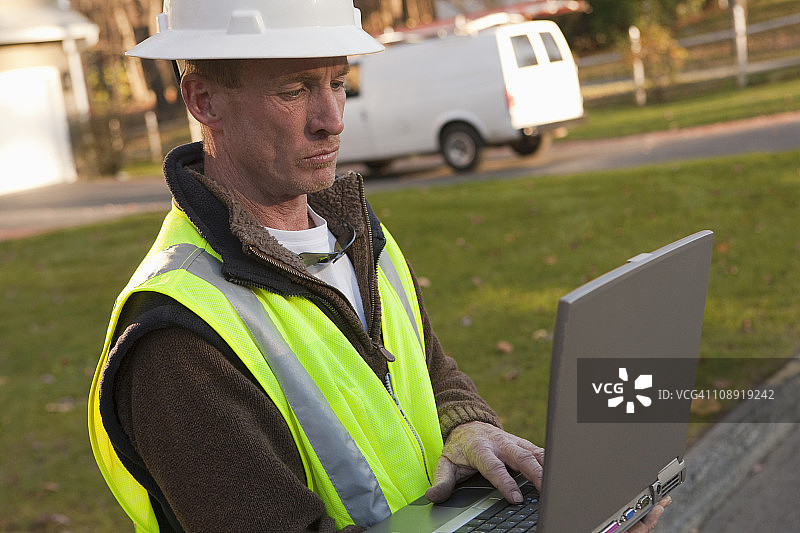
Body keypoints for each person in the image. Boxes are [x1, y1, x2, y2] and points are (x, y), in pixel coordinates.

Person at [88, 1, 670, 532]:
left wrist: (466, 426)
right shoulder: (177, 338)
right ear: (203, 101)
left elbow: (425, 364)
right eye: (294, 90)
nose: (331, 118)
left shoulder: (354, 230)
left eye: (338, 83)